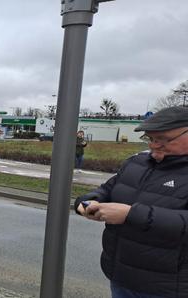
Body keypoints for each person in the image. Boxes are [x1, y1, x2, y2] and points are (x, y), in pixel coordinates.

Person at [74, 106, 188, 298]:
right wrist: (88, 202)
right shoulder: (137, 162)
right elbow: (108, 189)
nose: (153, 145)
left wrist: (130, 215)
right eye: (150, 139)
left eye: (162, 139)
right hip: (121, 278)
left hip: (170, 287)